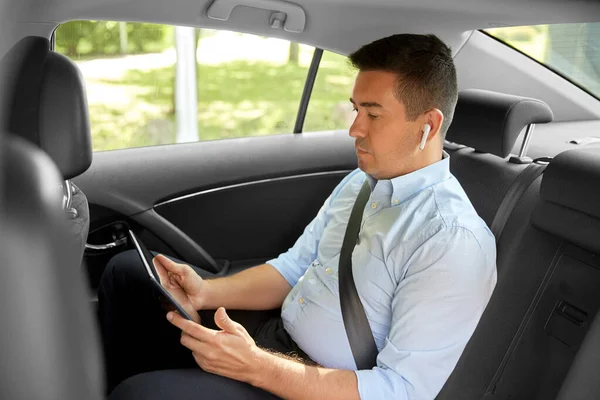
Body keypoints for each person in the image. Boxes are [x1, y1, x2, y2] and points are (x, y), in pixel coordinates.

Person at [100, 33, 497, 400]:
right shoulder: (361, 183)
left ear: (428, 125)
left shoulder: (450, 239)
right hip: (276, 341)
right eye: (356, 109)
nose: (354, 129)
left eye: (373, 115)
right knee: (129, 271)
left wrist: (257, 367)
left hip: (319, 387)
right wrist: (207, 292)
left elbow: (401, 390)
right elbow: (293, 269)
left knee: (141, 394)